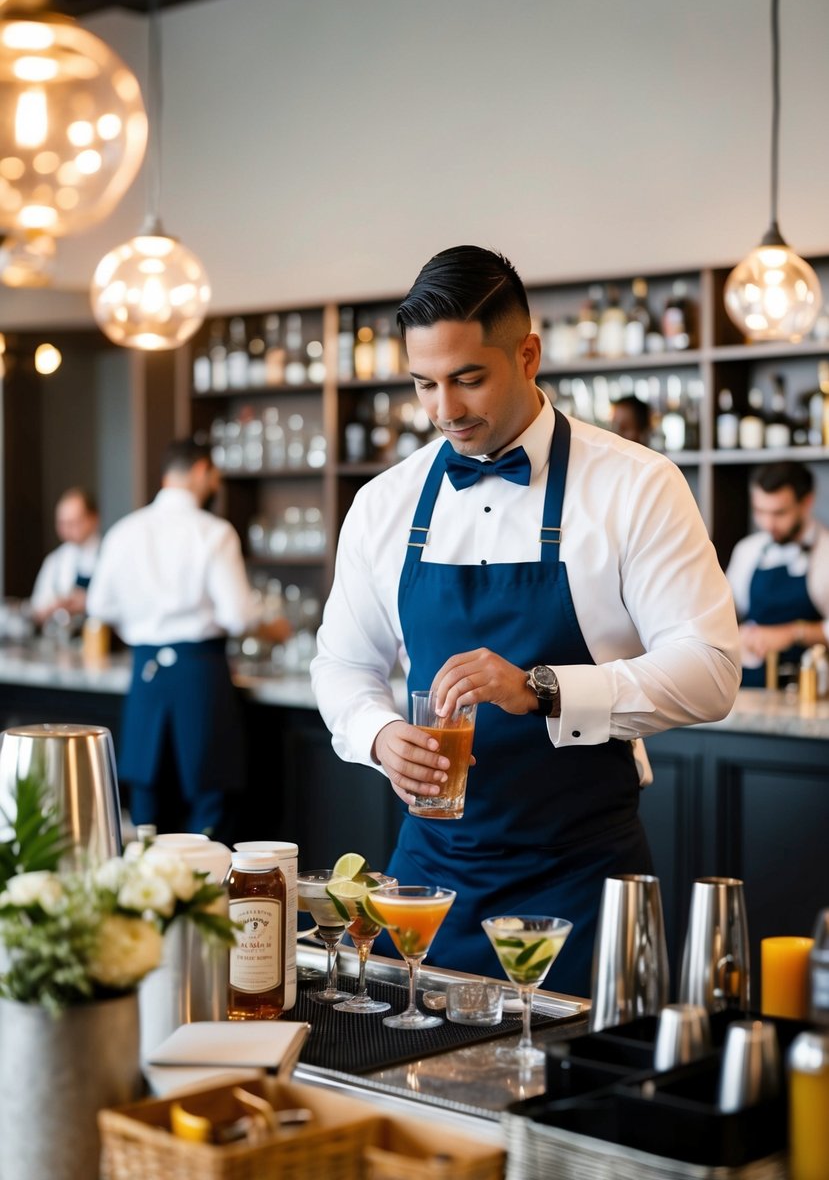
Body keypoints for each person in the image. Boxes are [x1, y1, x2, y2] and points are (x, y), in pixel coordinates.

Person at [311, 245, 740, 996]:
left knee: (572, 1099)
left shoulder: (635, 486)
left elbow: (710, 669)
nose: (443, 409)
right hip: (428, 882)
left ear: (528, 355)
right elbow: (342, 664)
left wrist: (542, 687)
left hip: (577, 877)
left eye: (467, 378)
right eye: (423, 384)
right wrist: (378, 735)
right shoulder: (384, 503)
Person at [87, 438, 290, 842]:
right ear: (201, 471)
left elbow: (99, 605)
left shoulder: (125, 530)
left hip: (145, 674)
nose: (215, 483)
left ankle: (143, 900)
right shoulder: (214, 532)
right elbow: (237, 615)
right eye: (214, 475)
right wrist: (273, 628)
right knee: (209, 805)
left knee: (145, 812)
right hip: (200, 673)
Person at [726, 462, 829, 686]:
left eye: (779, 513)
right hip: (748, 687)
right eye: (760, 512)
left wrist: (793, 633)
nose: (768, 524)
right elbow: (726, 614)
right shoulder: (747, 551)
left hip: (809, 688)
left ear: (806, 502)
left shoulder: (826, 553)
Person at [30, 487, 100, 625]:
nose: (67, 529)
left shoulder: (109, 556)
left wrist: (89, 602)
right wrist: (53, 606)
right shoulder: (55, 561)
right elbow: (36, 611)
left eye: (74, 523)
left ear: (93, 519)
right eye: (62, 523)